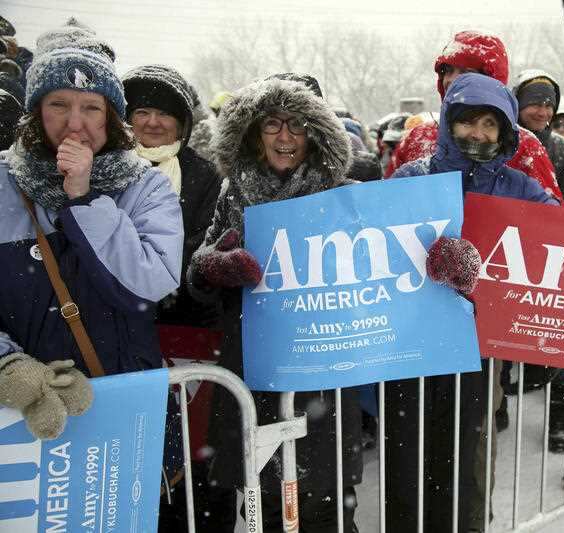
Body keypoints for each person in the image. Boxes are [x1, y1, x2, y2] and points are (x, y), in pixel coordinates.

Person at [187, 74, 362, 533]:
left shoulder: (344, 194)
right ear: (252, 131)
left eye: (298, 124)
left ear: (317, 133)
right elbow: (199, 274)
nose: (285, 137)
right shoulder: (233, 192)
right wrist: (212, 267)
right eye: (271, 125)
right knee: (259, 507)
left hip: (323, 374)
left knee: (327, 509)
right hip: (253, 371)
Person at [386, 72, 559, 532]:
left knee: (462, 457)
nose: (478, 134)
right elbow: (377, 247)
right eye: (468, 122)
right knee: (406, 457)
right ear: (449, 124)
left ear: (505, 132)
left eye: (490, 124)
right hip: (410, 344)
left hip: (476, 347)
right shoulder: (411, 177)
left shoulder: (519, 187)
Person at [0, 28, 182, 438]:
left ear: (111, 117)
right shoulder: (3, 182)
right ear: (36, 112)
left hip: (123, 408)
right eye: (59, 104)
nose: (75, 123)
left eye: (91, 108)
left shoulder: (145, 186)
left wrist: (83, 199)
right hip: (20, 420)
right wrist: (8, 364)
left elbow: (147, 286)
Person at [384, 30, 562, 202]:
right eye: (448, 70)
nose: (451, 80)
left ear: (493, 83)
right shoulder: (418, 136)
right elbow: (380, 215)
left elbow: (548, 222)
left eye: (466, 73)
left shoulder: (524, 146)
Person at [122, 64, 222, 328]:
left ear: (181, 124)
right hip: (112, 309)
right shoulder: (106, 166)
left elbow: (204, 244)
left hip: (182, 317)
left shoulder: (205, 175)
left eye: (164, 113)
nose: (152, 122)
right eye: (142, 112)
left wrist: (161, 283)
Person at [512, 70, 564, 201]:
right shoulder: (502, 141)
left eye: (549, 106)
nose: (542, 113)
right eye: (536, 104)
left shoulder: (563, 149)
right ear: (518, 104)